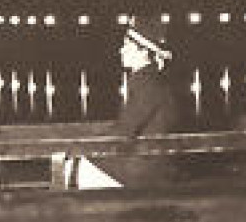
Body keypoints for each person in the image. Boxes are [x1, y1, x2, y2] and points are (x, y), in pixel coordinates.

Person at [78, 15, 182, 188]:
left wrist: (84, 145)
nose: (121, 50)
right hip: (150, 165)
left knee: (72, 165)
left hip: (142, 171)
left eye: (127, 46)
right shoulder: (152, 81)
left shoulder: (146, 85)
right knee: (78, 162)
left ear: (143, 52)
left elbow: (123, 131)